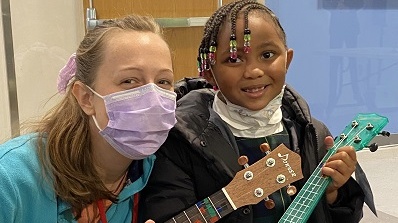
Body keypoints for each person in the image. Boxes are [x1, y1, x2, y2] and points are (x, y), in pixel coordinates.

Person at [141, 1, 372, 222]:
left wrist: (334, 194)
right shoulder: (180, 141)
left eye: (267, 55)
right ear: (209, 73)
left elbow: (340, 217)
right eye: (233, 59)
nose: (253, 71)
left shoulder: (314, 134)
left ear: (287, 61)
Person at [0, 14, 176, 223]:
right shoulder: (10, 178)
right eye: (129, 80)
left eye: (163, 81)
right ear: (86, 97)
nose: (152, 97)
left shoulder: (154, 171)